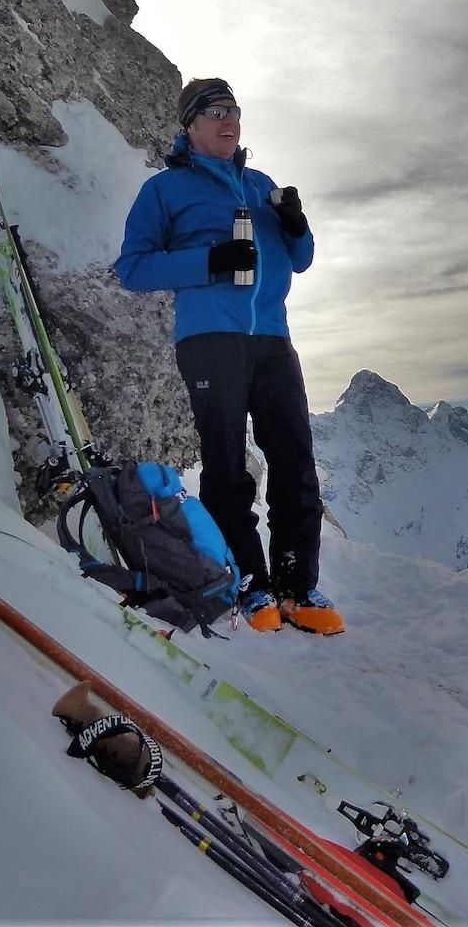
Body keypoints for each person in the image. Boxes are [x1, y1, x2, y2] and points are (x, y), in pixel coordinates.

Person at [113, 78, 343, 636]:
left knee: (293, 460)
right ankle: (246, 579)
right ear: (189, 126)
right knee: (225, 464)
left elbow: (304, 259)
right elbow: (133, 267)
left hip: (271, 338)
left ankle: (297, 583)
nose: (229, 119)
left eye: (234, 110)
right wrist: (211, 261)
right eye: (215, 111)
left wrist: (296, 225)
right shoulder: (166, 189)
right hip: (210, 338)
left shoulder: (261, 186)